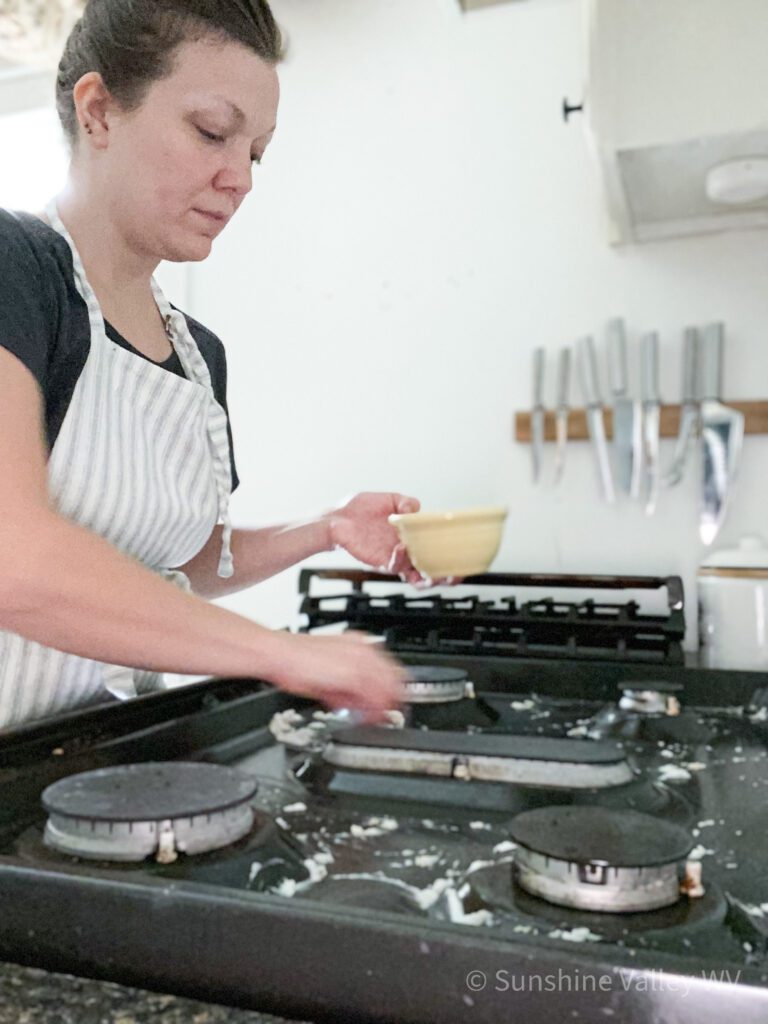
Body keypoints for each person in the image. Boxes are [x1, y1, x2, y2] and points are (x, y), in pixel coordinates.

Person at [0, 0, 434, 731]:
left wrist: (326, 528)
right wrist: (281, 653)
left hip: (105, 767)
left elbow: (181, 565)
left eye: (256, 151)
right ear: (100, 111)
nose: (241, 178)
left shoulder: (202, 358)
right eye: (212, 133)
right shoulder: (17, 269)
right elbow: (15, 560)